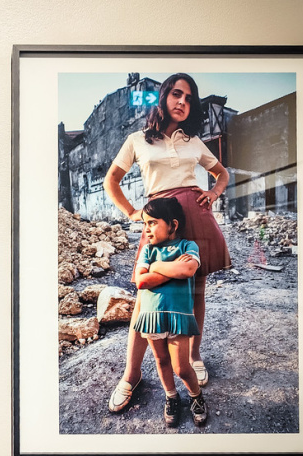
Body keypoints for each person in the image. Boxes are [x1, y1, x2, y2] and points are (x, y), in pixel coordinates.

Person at [104, 73, 230, 412]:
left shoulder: (193, 142)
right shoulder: (137, 140)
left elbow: (222, 174)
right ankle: (131, 375)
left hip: (196, 215)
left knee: (197, 290)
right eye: (177, 94)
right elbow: (111, 180)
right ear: (163, 97)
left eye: (189, 98)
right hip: (159, 219)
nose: (183, 102)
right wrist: (132, 212)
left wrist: (214, 193)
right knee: (146, 295)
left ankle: (194, 355)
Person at [133, 198, 208, 426]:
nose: (147, 228)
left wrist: (155, 268)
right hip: (151, 317)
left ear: (172, 225)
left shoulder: (187, 247)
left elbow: (188, 269)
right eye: (145, 223)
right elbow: (140, 281)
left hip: (178, 318)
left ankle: (196, 396)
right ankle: (171, 396)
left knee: (181, 367)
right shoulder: (147, 250)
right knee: (161, 360)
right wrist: (170, 269)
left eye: (153, 223)